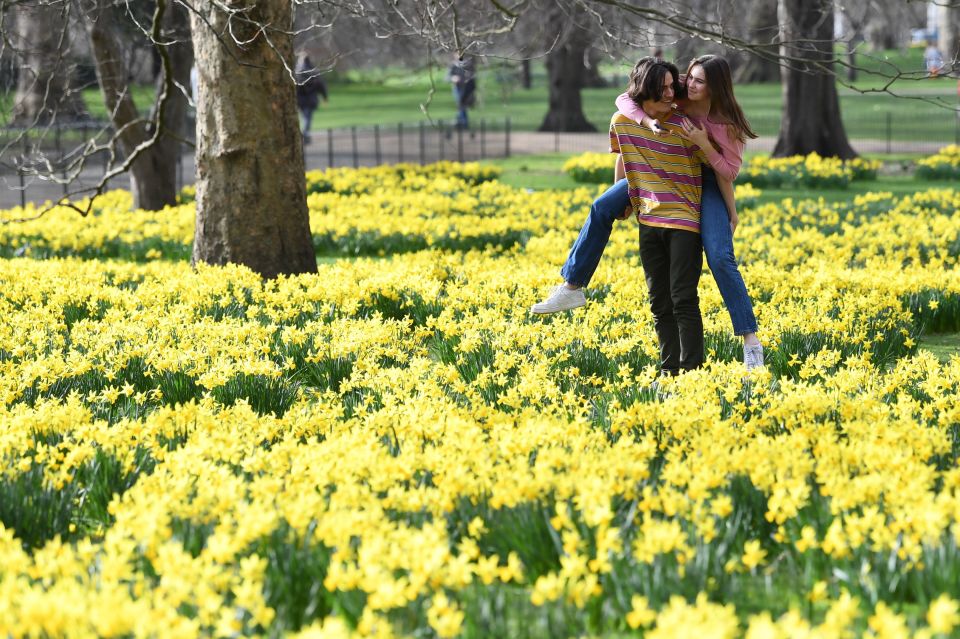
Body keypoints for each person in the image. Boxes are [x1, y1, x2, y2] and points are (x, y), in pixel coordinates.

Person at [532, 54, 764, 371]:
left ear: (716, 87)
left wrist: (730, 208)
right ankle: (572, 287)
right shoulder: (675, 90)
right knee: (601, 206)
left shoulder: (726, 124)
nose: (688, 84)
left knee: (720, 256)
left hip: (706, 178)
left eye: (699, 81)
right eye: (690, 77)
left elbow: (728, 172)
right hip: (654, 169)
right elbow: (626, 100)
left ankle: (750, 341)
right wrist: (627, 186)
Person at [612, 59, 706, 374]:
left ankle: (692, 372)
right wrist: (619, 198)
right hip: (648, 220)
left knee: (682, 297)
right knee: (659, 302)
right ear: (646, 89)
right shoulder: (623, 120)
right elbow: (625, 155)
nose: (670, 93)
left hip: (684, 219)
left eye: (671, 86)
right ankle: (669, 371)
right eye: (662, 88)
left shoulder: (684, 123)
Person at [295, 55, 328, 143]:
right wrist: (325, 97)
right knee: (307, 118)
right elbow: (321, 85)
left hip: (300, 100)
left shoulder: (297, 72)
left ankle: (304, 134)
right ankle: (305, 135)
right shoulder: (314, 72)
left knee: (304, 117)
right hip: (310, 99)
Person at [446, 54, 476, 130]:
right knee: (461, 105)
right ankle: (463, 123)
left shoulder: (468, 64)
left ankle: (460, 123)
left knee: (462, 105)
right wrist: (453, 78)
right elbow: (447, 77)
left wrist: (468, 77)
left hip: (467, 87)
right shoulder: (453, 65)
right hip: (457, 88)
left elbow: (473, 76)